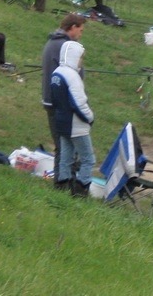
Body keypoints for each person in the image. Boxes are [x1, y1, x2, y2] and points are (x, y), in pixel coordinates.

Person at [41, 13, 86, 188]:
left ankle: (64, 185)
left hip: (51, 101)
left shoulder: (52, 42)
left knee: (64, 146)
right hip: (61, 103)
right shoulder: (65, 46)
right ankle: (63, 187)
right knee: (66, 147)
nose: (81, 34)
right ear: (72, 27)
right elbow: (75, 75)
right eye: (80, 30)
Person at [51, 41, 95, 197]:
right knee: (88, 159)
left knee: (66, 157)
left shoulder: (56, 72)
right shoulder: (73, 76)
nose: (81, 62)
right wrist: (90, 117)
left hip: (61, 122)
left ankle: (62, 186)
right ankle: (81, 189)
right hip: (76, 125)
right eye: (80, 58)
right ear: (73, 56)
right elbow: (79, 103)